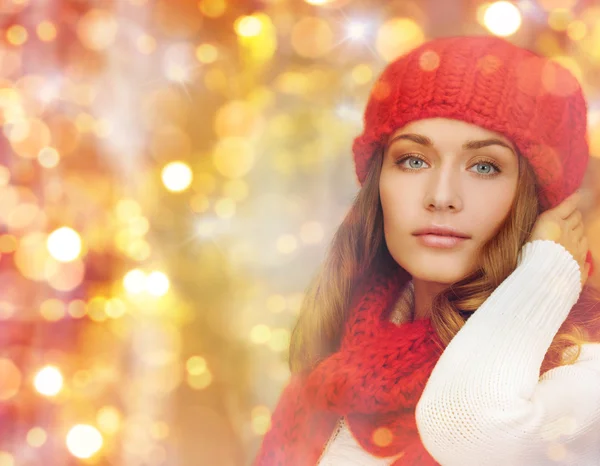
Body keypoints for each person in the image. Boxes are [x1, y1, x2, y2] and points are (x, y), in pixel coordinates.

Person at [252, 35, 600, 466]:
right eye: (414, 160)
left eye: (485, 166)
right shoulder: (331, 376)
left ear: (542, 203)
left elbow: (471, 430)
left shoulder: (583, 372)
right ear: (378, 181)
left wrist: (543, 276)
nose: (441, 195)